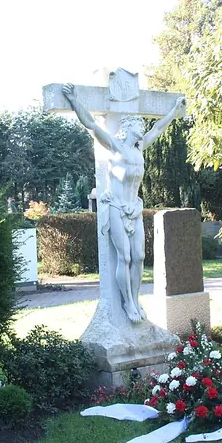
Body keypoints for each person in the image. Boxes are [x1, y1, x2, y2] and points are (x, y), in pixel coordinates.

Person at [62, 83, 186, 322]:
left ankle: (135, 299)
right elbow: (91, 125)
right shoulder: (115, 147)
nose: (143, 125)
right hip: (117, 208)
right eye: (138, 123)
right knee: (125, 257)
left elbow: (159, 128)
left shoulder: (140, 149)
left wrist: (173, 109)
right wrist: (74, 99)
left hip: (134, 209)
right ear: (130, 127)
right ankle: (127, 302)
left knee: (138, 256)